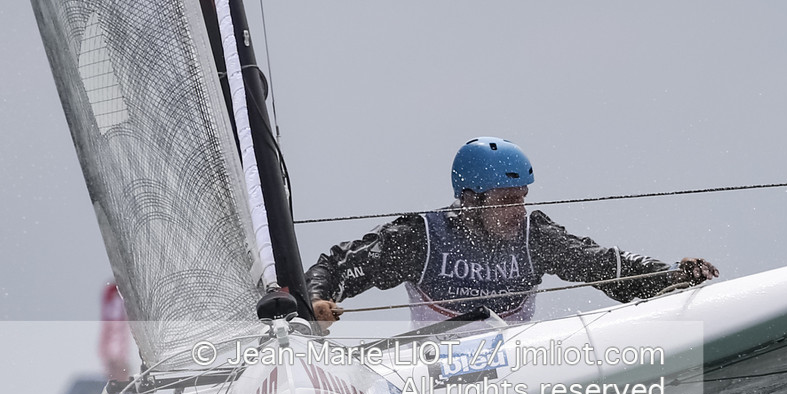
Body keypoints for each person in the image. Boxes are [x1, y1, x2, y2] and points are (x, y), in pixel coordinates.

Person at [306, 138, 719, 326]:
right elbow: (337, 265)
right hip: (432, 376)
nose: (519, 211)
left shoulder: (535, 237)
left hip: (516, 374)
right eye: (506, 199)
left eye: (522, 198)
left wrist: (671, 275)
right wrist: (316, 301)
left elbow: (607, 267)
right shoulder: (421, 237)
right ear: (470, 200)